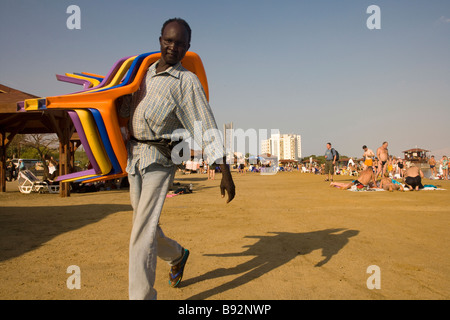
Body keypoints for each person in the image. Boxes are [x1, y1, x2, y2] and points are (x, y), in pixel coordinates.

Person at [124, 18, 235, 300]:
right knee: (144, 226)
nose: (173, 47)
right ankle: (177, 254)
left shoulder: (186, 81)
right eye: (168, 41)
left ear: (188, 47)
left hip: (160, 159)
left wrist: (225, 171)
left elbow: (204, 123)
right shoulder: (143, 73)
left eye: (180, 43)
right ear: (160, 39)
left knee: (141, 234)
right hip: (134, 157)